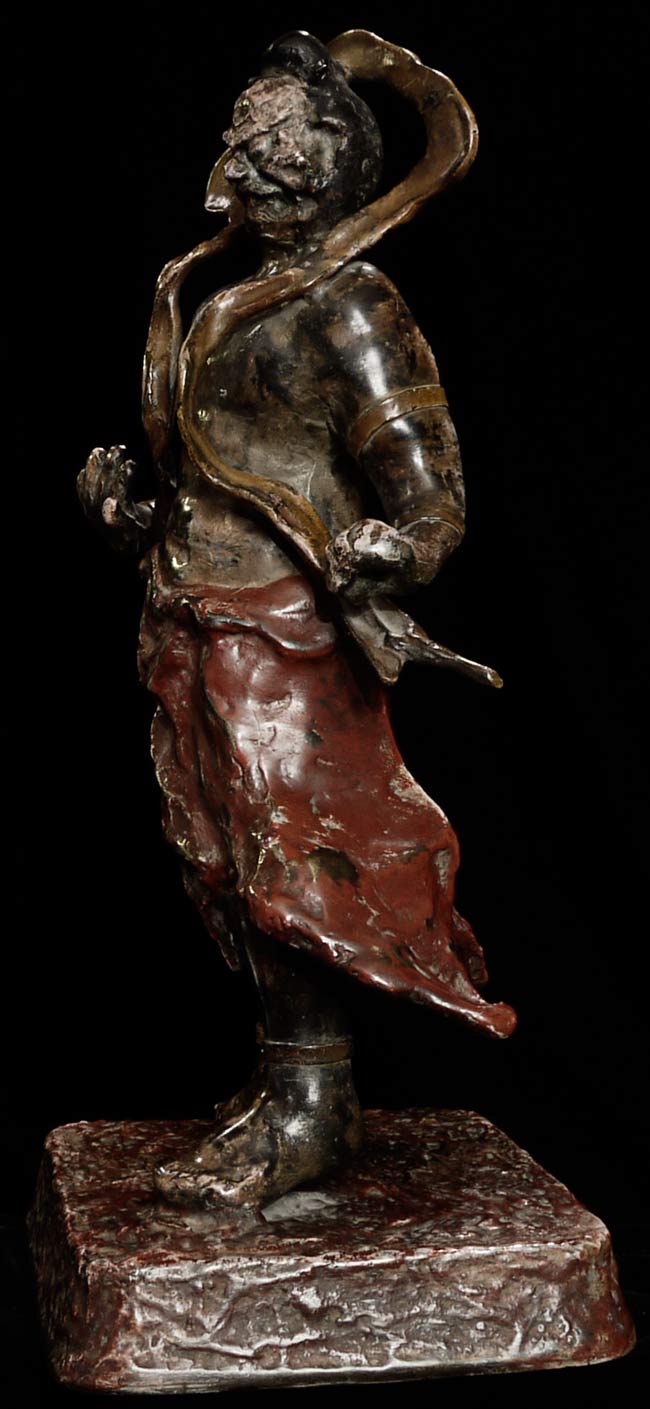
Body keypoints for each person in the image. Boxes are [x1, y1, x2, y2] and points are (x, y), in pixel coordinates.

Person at [77, 31, 515, 1210]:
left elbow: (425, 482)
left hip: (283, 631)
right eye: (244, 131)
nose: (249, 155)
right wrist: (128, 512)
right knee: (216, 853)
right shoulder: (207, 295)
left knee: (288, 863)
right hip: (190, 609)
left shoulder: (350, 301)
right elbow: (210, 470)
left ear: (332, 163)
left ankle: (312, 1104)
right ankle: (293, 1078)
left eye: (278, 136)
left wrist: (399, 546)